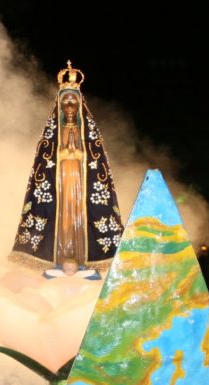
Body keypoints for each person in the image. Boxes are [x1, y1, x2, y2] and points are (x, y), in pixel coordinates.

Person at [11, 61, 124, 269]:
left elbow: (96, 163)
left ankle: (81, 255)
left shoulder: (90, 135)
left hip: (81, 181)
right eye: (66, 101)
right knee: (61, 215)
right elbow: (44, 165)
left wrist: (78, 155)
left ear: (80, 105)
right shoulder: (51, 135)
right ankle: (58, 255)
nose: (70, 105)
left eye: (73, 100)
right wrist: (62, 154)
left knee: (79, 214)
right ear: (60, 105)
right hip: (59, 182)